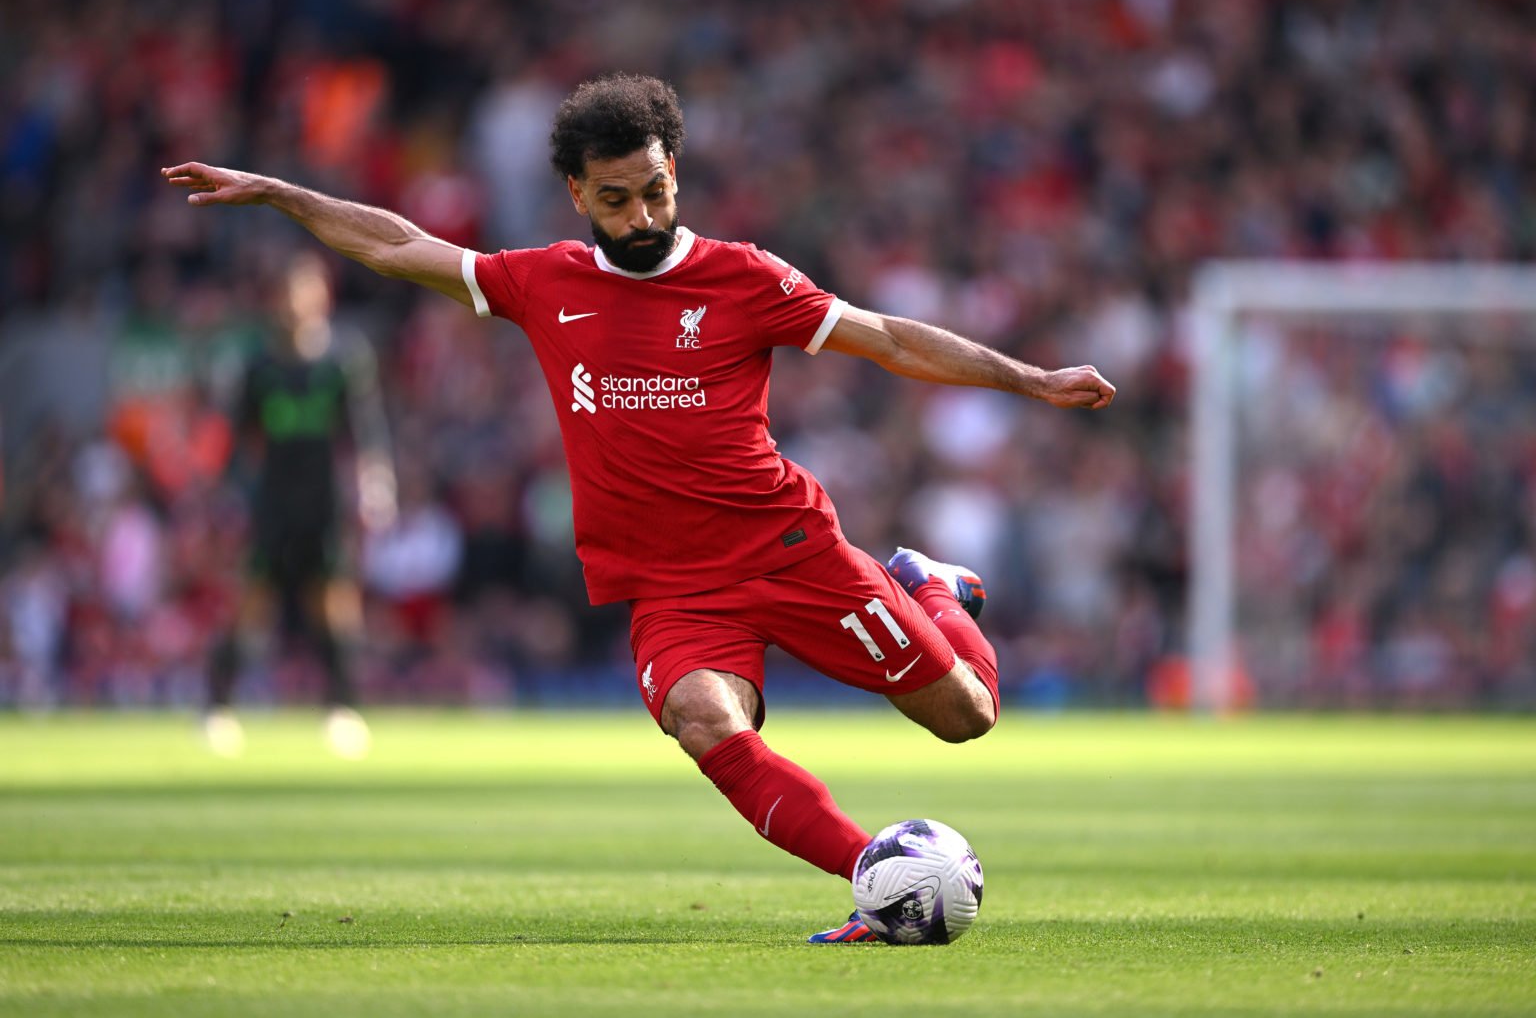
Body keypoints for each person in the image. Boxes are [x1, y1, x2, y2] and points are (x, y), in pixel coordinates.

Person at [163, 73, 1114, 939]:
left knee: (968, 714)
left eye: (656, 189)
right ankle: (876, 877)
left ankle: (935, 589)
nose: (643, 212)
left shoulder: (744, 277)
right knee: (704, 718)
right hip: (671, 587)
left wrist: (1029, 377)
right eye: (615, 198)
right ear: (578, 193)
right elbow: (397, 244)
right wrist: (288, 195)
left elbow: (893, 341)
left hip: (789, 548)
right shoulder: (543, 282)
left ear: (674, 172)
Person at [201, 251, 397, 760]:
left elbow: (366, 432)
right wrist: (224, 498)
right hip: (272, 503)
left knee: (333, 607)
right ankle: (218, 707)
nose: (293, 304)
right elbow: (236, 444)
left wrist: (377, 484)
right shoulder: (258, 367)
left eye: (302, 292)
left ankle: (342, 710)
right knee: (251, 606)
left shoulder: (342, 360)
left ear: (321, 297)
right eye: (285, 294)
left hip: (324, 503)